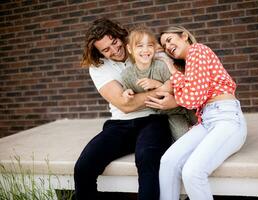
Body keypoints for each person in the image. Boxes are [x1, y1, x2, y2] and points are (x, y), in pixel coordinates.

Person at [74, 18, 173, 200]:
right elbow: (125, 105)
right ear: (98, 53)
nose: (114, 50)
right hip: (120, 124)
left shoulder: (143, 48)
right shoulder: (98, 67)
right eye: (106, 49)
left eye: (114, 42)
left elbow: (175, 83)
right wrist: (161, 90)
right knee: (83, 167)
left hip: (154, 118)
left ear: (120, 36)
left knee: (147, 158)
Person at [146, 26, 247, 200]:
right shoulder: (189, 65)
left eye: (170, 40)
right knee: (168, 161)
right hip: (207, 121)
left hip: (226, 118)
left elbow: (191, 99)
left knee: (192, 172)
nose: (168, 47)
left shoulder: (197, 50)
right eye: (164, 46)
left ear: (184, 36)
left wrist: (171, 70)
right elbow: (191, 97)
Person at [121, 26, 196, 140]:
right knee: (183, 139)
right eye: (140, 46)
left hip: (185, 106)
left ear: (155, 48)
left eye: (149, 45)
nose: (145, 50)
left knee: (205, 124)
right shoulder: (127, 74)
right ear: (130, 49)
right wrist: (127, 92)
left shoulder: (160, 66)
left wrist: (157, 85)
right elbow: (127, 89)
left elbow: (178, 85)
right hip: (171, 114)